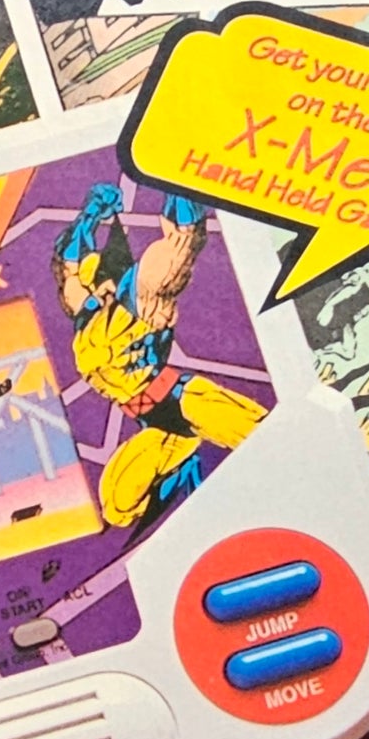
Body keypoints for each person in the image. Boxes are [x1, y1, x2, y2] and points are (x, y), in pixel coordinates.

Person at [55, 183, 265, 528]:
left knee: (267, 441)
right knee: (118, 509)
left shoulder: (141, 299)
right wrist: (90, 214)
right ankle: (194, 483)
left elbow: (182, 242)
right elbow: (69, 265)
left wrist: (174, 182)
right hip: (157, 427)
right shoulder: (85, 314)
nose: (96, 288)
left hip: (185, 400)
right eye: (93, 282)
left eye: (103, 281)